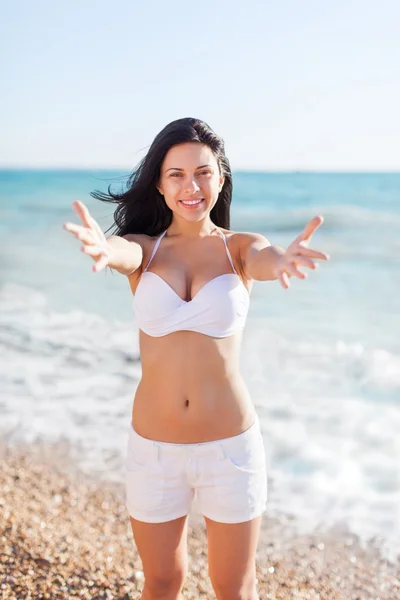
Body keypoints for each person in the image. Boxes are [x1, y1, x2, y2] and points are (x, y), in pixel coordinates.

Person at [63, 117, 329, 600]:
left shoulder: (241, 249)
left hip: (231, 449)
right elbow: (122, 252)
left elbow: (267, 261)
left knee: (234, 587)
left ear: (221, 178)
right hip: (154, 450)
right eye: (177, 175)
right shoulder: (144, 251)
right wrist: (104, 248)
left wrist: (284, 262)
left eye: (203, 172)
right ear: (161, 187)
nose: (192, 185)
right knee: (162, 582)